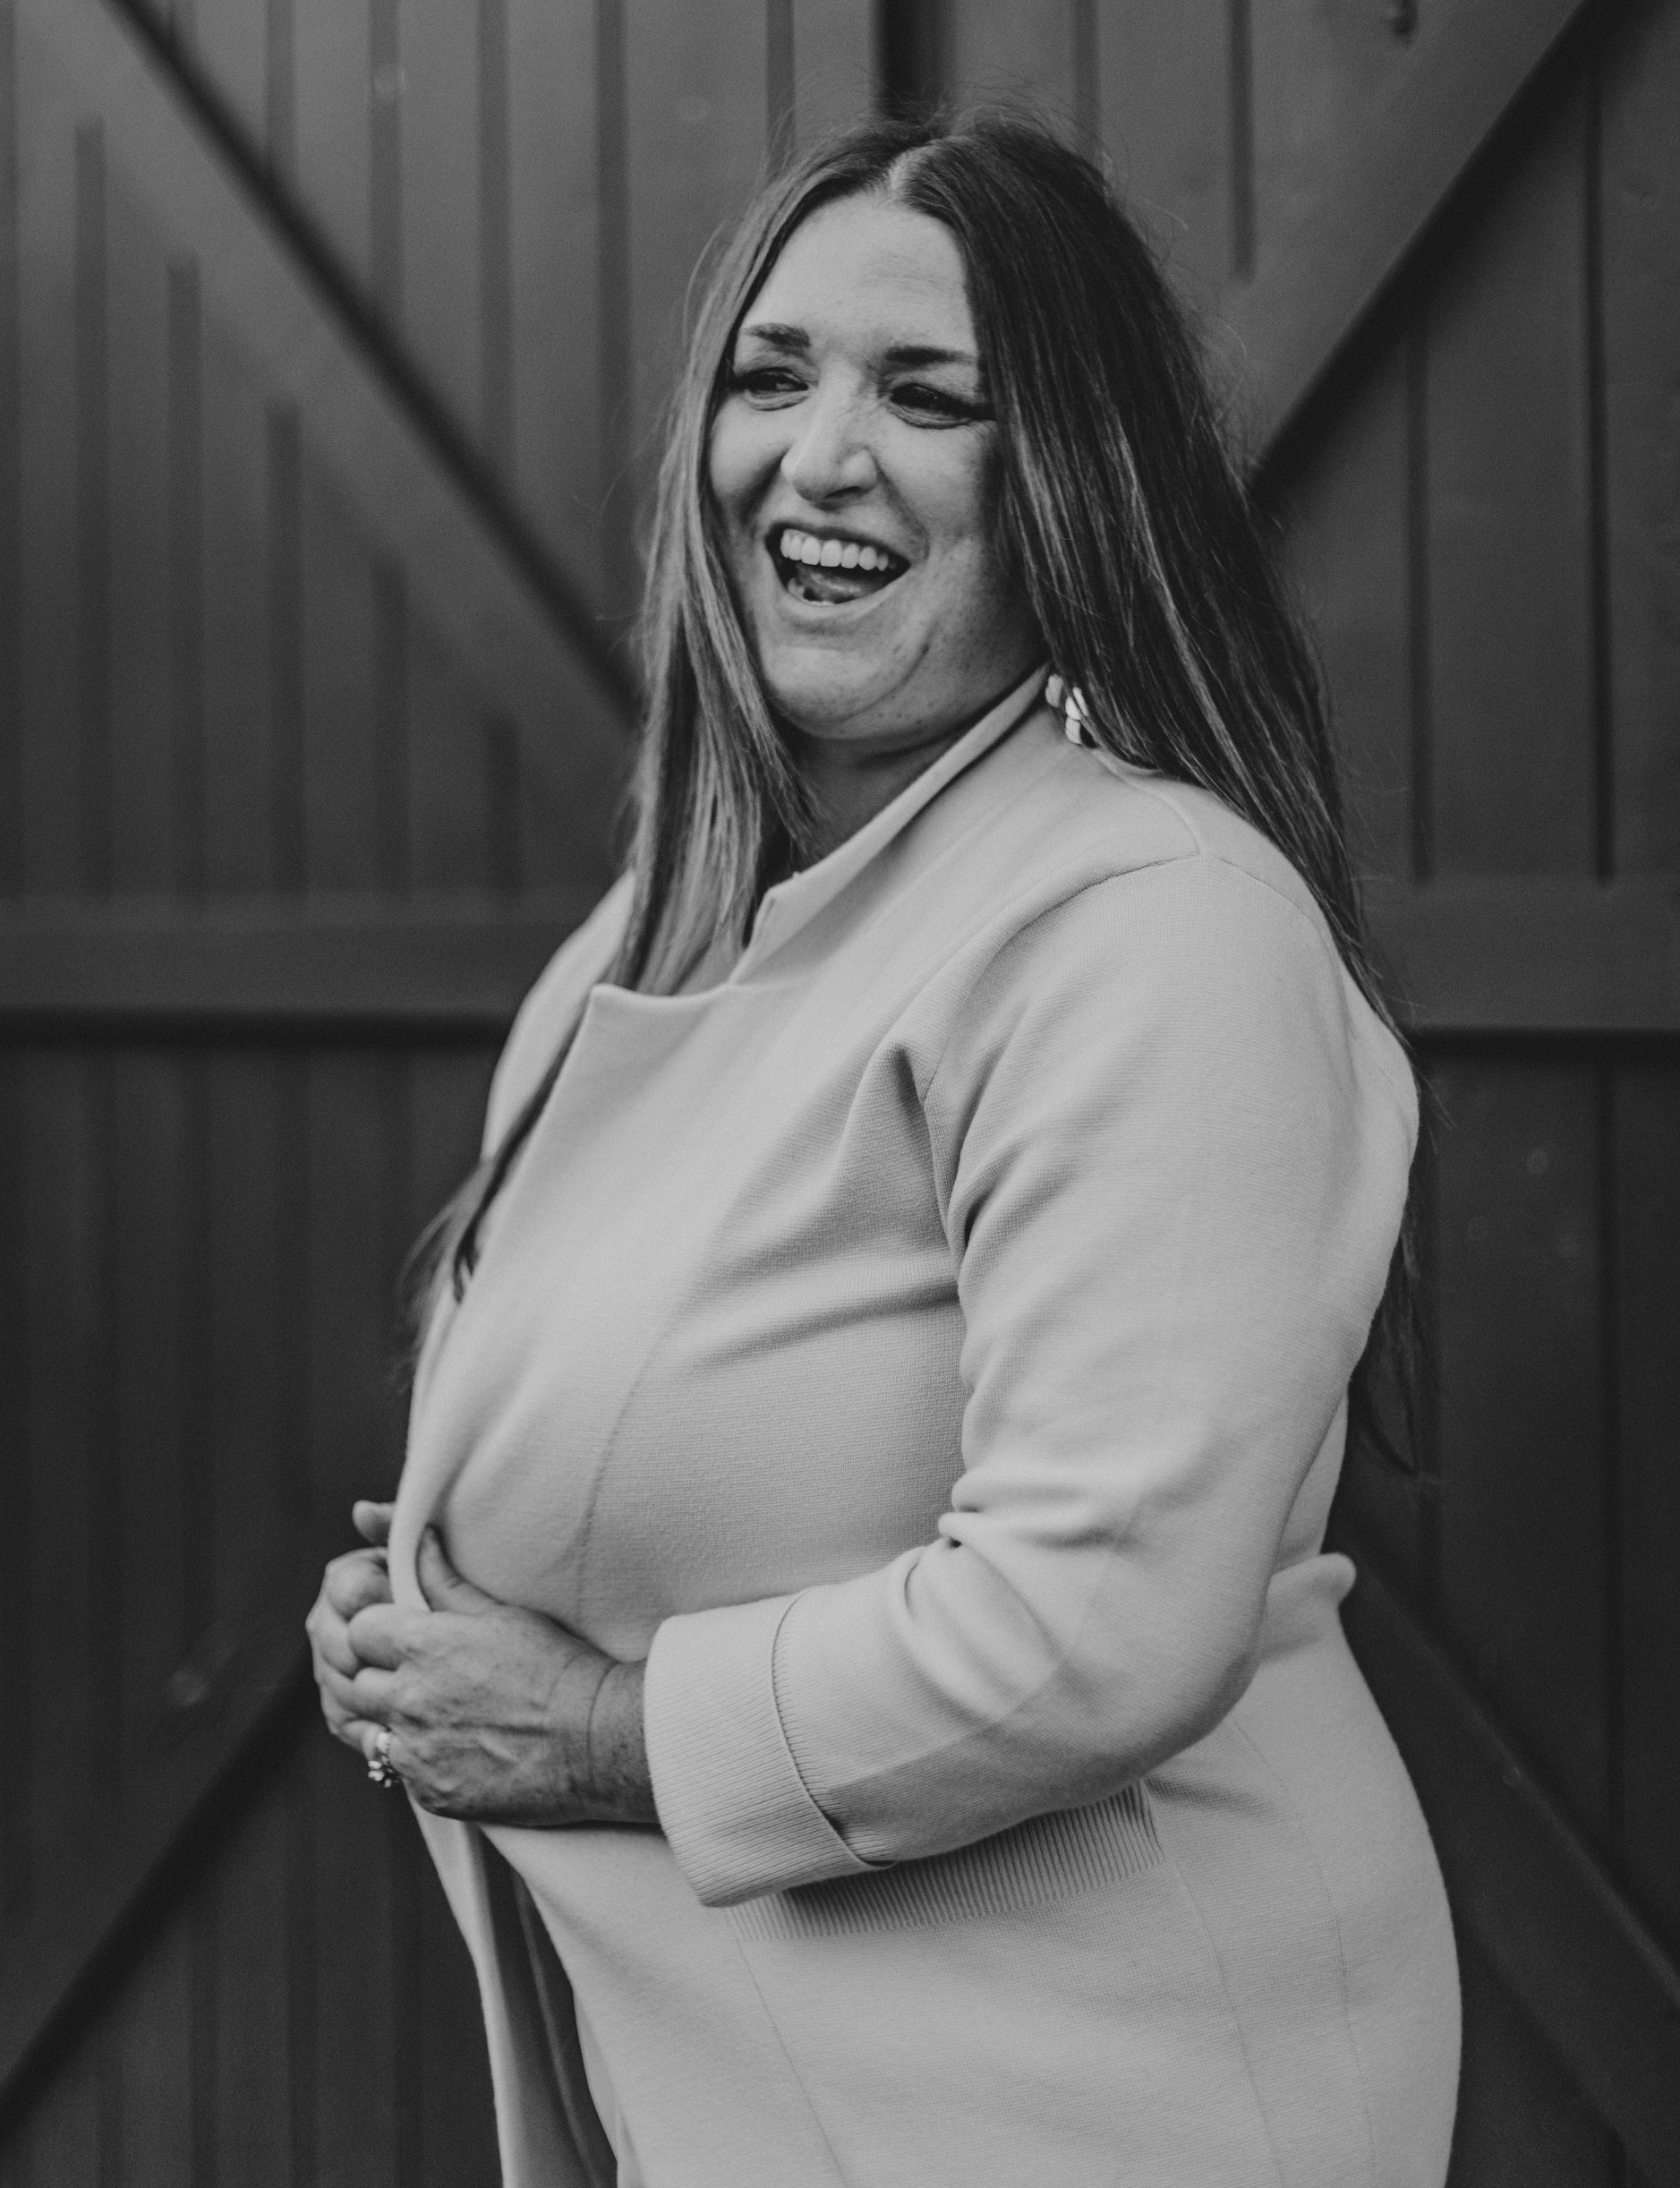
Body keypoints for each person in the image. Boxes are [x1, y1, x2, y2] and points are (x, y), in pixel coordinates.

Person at [307, 110, 1460, 2188]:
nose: (819, 456)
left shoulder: (1148, 926)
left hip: (1094, 2099)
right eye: (773, 375)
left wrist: (575, 1731)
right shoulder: (636, 941)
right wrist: (419, 1621)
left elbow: (1092, 1619)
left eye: (928, 395)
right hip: (760, 2103)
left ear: (1073, 487)